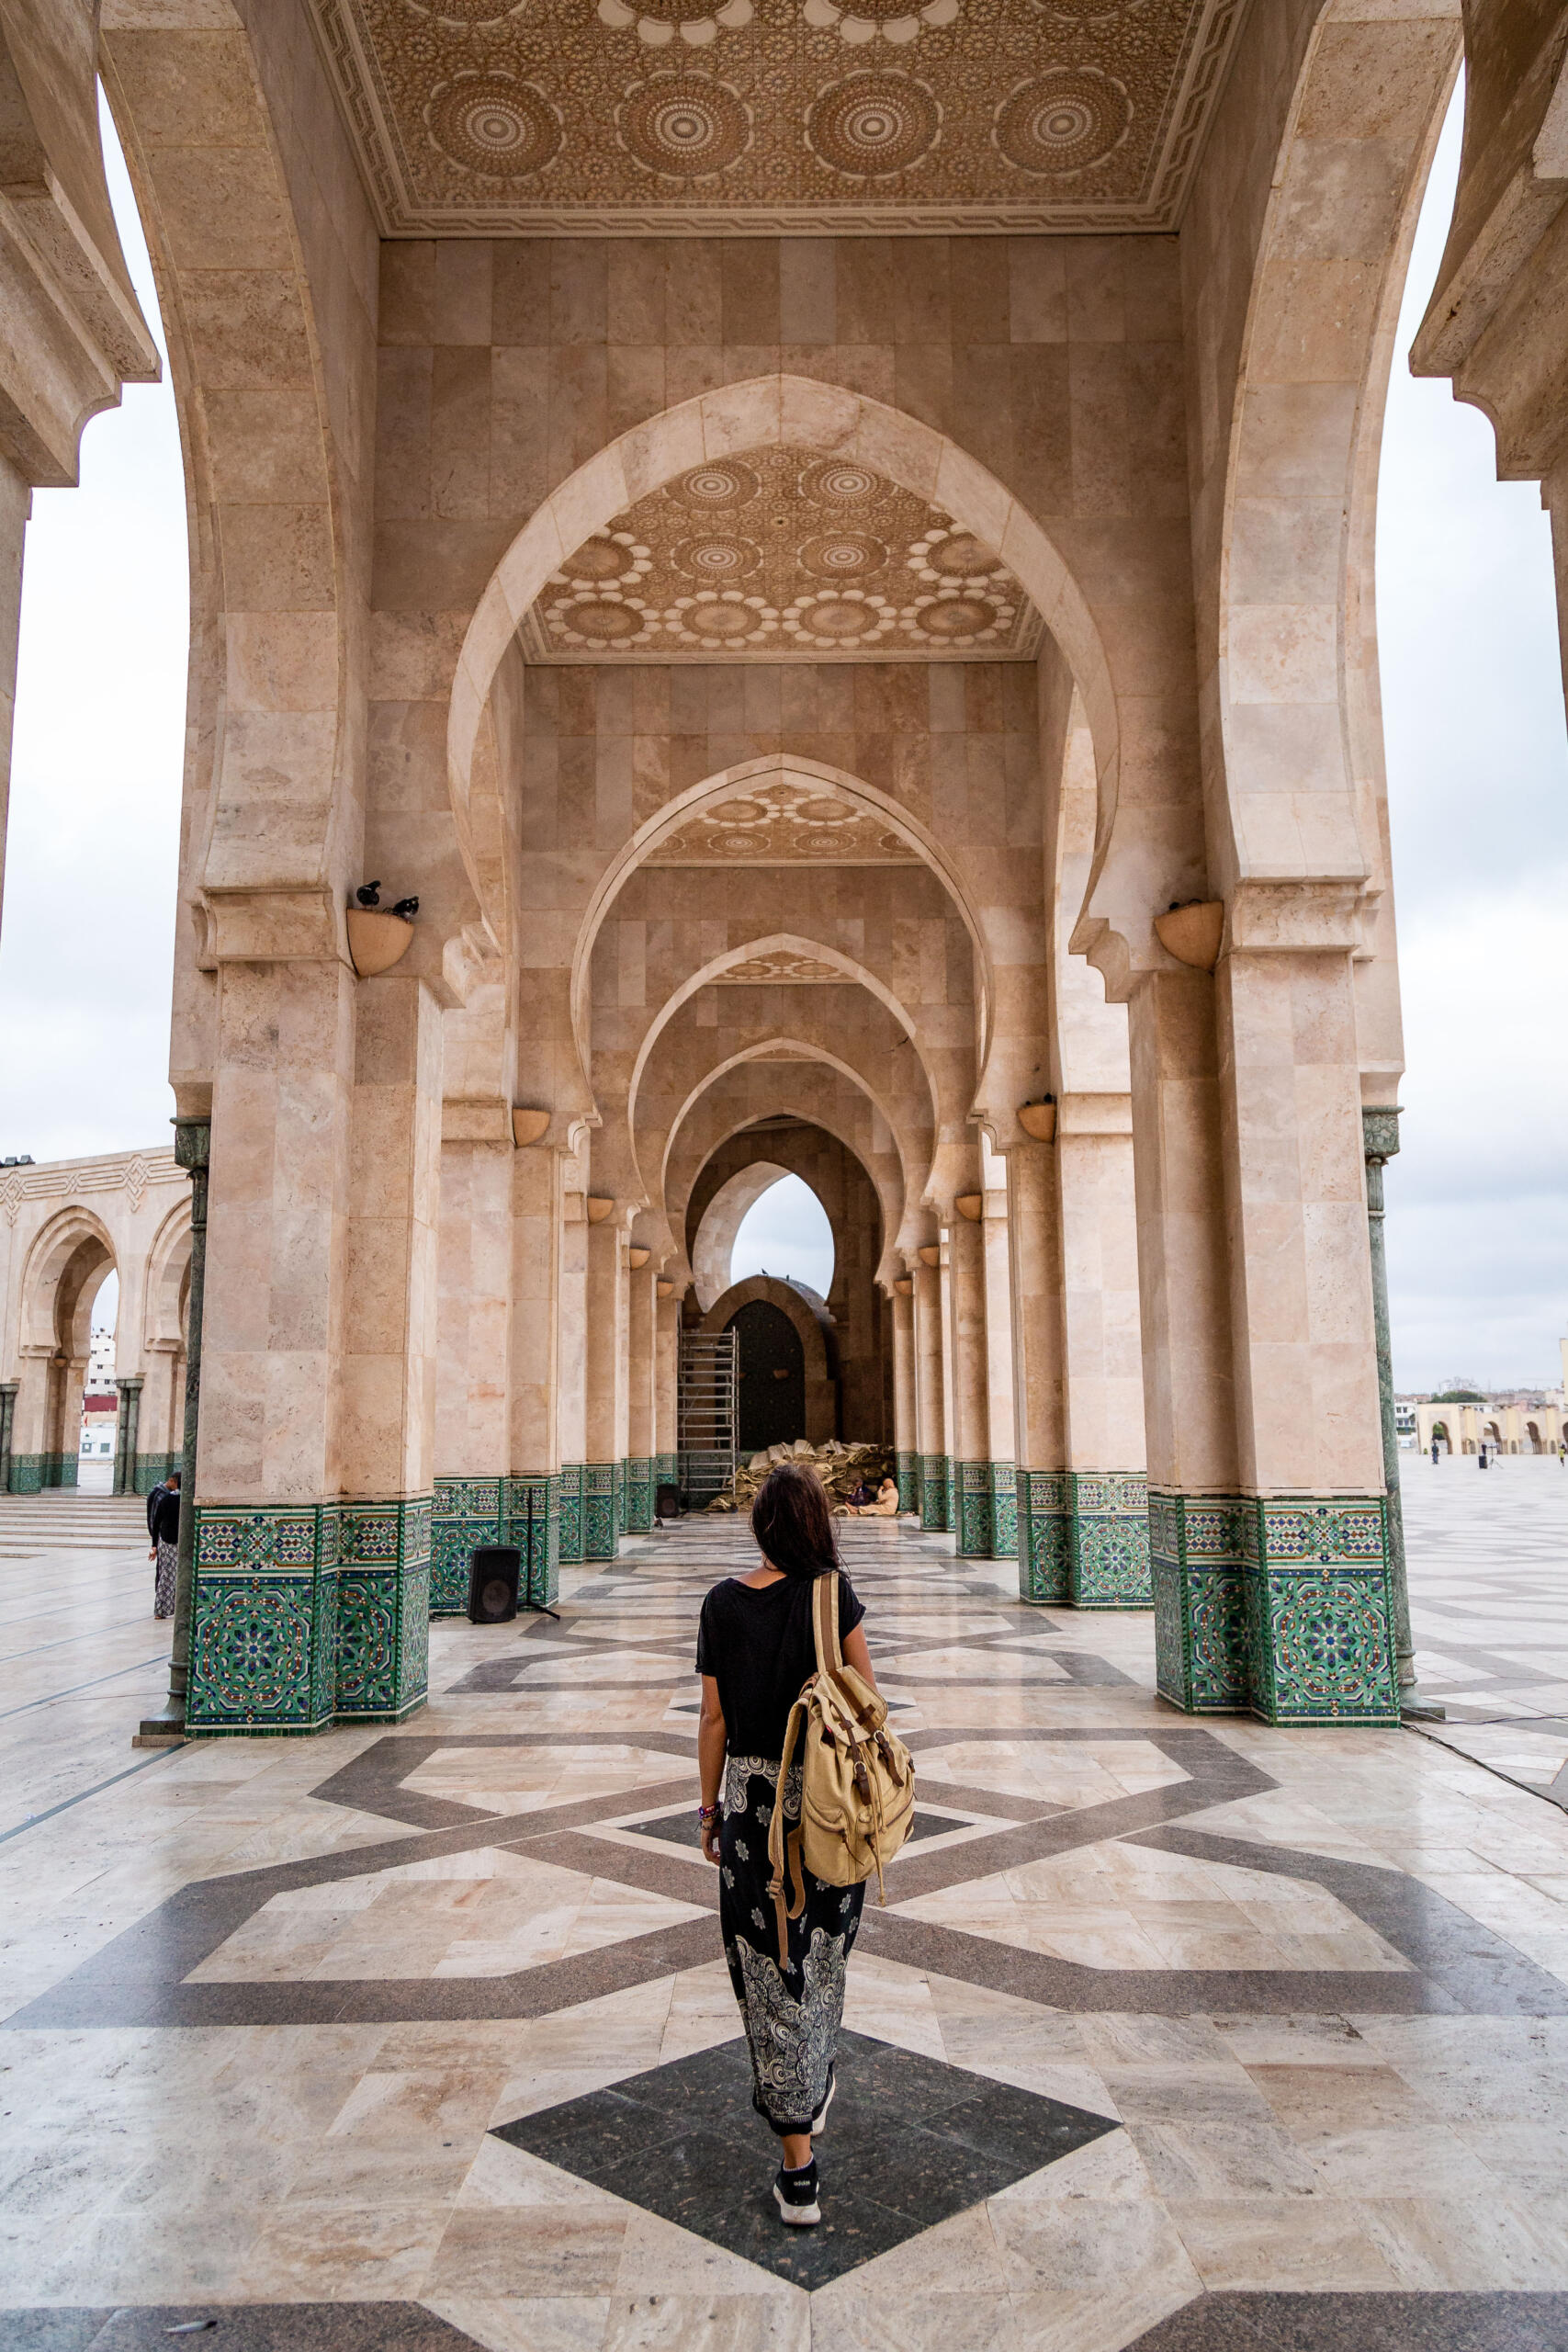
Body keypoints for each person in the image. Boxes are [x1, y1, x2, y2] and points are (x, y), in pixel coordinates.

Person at [695, 1461, 879, 2229]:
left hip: (750, 1813)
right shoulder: (833, 1596)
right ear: (817, 1525)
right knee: (821, 1956)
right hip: (826, 1812)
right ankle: (814, 2077)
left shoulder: (721, 1604)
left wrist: (708, 1811)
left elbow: (712, 1722)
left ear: (759, 1527)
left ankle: (796, 2162)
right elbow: (867, 1707)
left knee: (765, 1969)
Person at [149, 1469, 180, 1619]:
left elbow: (156, 1522)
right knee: (178, 1576)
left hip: (165, 1541)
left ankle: (161, 1610)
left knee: (166, 1576)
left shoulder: (166, 1499)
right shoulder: (183, 1500)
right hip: (177, 1542)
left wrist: (154, 1544)